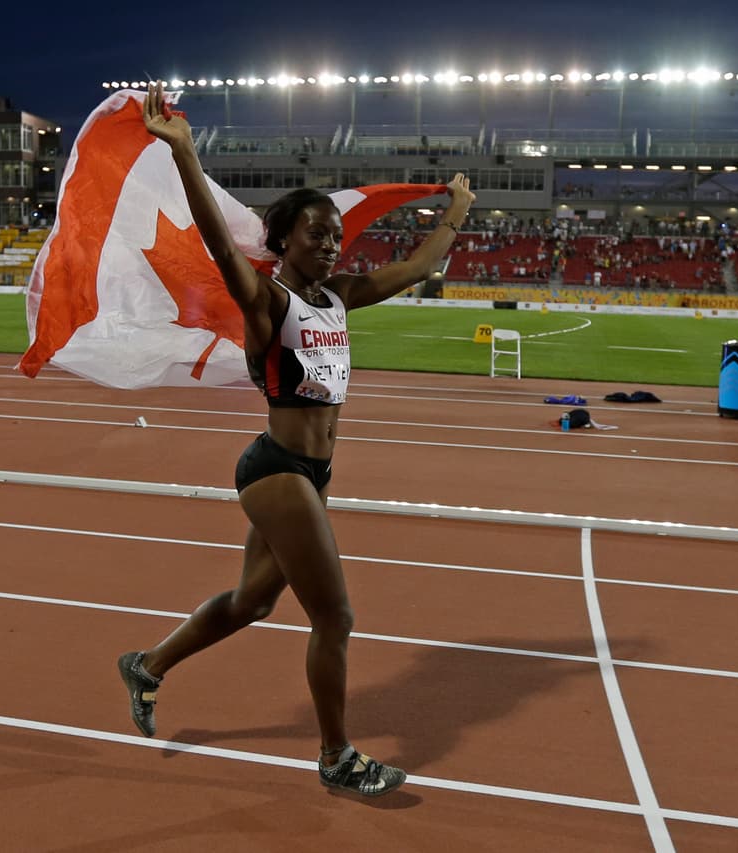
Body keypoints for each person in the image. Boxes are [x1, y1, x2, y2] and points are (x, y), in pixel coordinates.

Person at [117, 82, 475, 796]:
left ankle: (147, 663)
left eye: (334, 234)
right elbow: (221, 248)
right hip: (277, 469)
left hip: (311, 473)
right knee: (335, 615)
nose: (331, 241)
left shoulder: (338, 297)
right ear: (284, 242)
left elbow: (417, 267)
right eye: (316, 232)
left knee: (253, 601)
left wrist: (457, 212)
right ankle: (337, 754)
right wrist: (185, 152)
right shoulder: (267, 301)